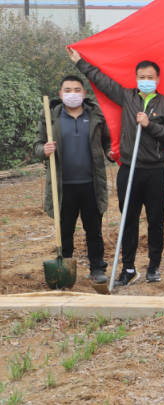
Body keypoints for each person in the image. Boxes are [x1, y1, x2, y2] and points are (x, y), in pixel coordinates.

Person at [68, 47, 164, 286]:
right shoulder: (127, 97)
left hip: (155, 172)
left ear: (158, 80)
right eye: (142, 76)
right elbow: (102, 81)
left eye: (150, 77)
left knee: (155, 221)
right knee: (128, 221)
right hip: (129, 170)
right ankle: (128, 269)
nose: (146, 80)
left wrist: (150, 124)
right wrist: (80, 62)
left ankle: (153, 267)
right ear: (136, 78)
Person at [33, 76, 113, 284]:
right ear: (61, 94)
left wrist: (110, 152)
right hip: (62, 185)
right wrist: (44, 150)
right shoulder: (51, 116)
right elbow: (38, 144)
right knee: (65, 231)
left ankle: (97, 268)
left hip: (91, 183)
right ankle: (65, 269)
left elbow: (107, 140)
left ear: (84, 94)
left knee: (94, 230)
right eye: (68, 90)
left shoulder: (96, 114)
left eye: (77, 90)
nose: (73, 94)